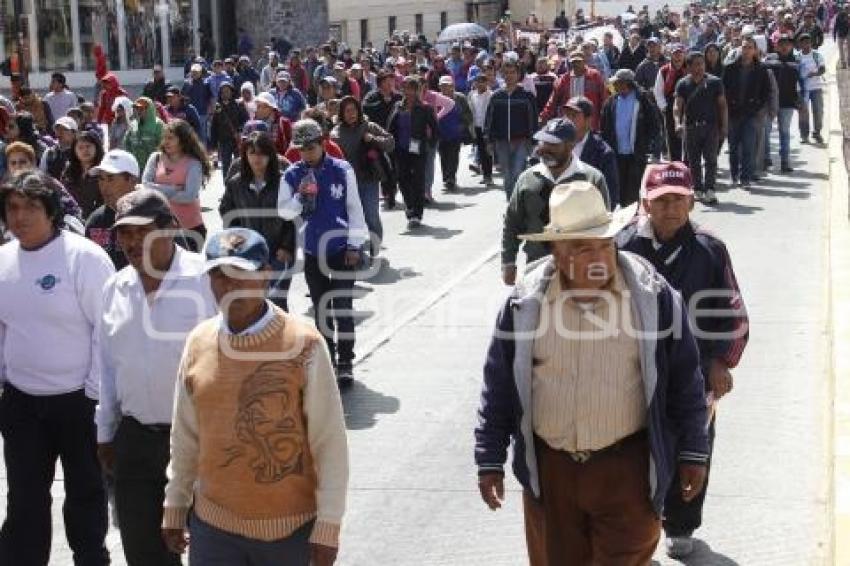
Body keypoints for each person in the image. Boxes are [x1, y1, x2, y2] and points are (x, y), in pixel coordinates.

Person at [476, 181, 709, 566]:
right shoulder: (524, 304)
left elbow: (686, 380)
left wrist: (693, 451)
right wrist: (489, 457)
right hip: (553, 477)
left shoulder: (654, 298)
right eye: (581, 248)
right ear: (556, 250)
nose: (597, 257)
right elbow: (498, 384)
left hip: (627, 473)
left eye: (604, 244)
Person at [161, 227, 349, 565]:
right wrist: (175, 505)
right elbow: (185, 436)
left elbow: (329, 442)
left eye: (240, 273)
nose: (229, 286)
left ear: (266, 274)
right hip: (213, 530)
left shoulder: (304, 343)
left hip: (289, 533)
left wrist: (328, 526)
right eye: (219, 275)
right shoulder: (198, 341)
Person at [617, 161, 749, 559]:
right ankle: (636, 526)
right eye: (661, 201)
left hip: (693, 374)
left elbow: (734, 313)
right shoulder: (622, 246)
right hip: (634, 372)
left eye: (678, 200)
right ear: (645, 203)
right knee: (632, 452)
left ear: (692, 202)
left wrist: (722, 362)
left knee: (693, 446)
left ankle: (681, 522)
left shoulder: (710, 249)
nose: (670, 208)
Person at [96, 188, 217, 566]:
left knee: (214, 550)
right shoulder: (116, 288)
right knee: (145, 554)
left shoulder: (206, 280)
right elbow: (108, 367)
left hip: (202, 440)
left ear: (169, 229)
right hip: (136, 443)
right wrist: (106, 434)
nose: (132, 242)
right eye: (125, 234)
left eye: (142, 231)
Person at [0, 170, 114, 566]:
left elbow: (106, 330)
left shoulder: (84, 257)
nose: (20, 217)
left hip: (78, 402)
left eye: (31, 207)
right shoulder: (3, 260)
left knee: (85, 495)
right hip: (21, 403)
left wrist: (96, 397)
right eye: (12, 208)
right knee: (24, 499)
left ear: (50, 211)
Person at [278, 119, 368, 385]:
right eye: (302, 149)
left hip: (341, 250)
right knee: (321, 310)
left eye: (311, 147)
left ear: (323, 142)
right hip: (312, 251)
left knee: (343, 308)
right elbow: (283, 211)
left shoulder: (342, 170)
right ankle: (327, 358)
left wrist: (355, 245)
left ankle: (346, 362)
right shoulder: (292, 174)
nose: (306, 153)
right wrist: (300, 196)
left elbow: (354, 208)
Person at [501, 117, 610, 285]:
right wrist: (508, 262)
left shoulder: (592, 179)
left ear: (571, 145)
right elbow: (512, 221)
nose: (544, 149)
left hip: (580, 269)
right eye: (543, 142)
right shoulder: (526, 179)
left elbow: (604, 230)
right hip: (535, 268)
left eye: (553, 144)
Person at [220, 131, 297, 311]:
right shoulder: (235, 184)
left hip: (279, 252)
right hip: (249, 252)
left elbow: (293, 217)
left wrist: (287, 246)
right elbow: (227, 212)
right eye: (252, 153)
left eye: (262, 153)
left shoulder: (284, 182)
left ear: (271, 156)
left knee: (277, 303)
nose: (257, 158)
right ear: (245, 155)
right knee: (253, 302)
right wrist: (238, 241)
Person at [332, 96, 394, 258]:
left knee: (371, 215)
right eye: (347, 111)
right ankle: (356, 250)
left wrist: (372, 139)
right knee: (351, 218)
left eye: (354, 110)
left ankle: (375, 243)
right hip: (346, 184)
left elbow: (390, 142)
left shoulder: (369, 126)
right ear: (341, 113)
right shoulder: (336, 133)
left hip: (368, 179)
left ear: (359, 111)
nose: (351, 114)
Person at [142, 119, 211, 251]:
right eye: (165, 138)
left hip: (190, 229)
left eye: (171, 138)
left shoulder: (193, 164)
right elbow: (145, 185)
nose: (166, 142)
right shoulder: (155, 158)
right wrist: (174, 188)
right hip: (159, 228)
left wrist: (156, 192)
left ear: (183, 140)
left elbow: (189, 196)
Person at [674, 50, 727, 204]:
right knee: (693, 160)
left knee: (711, 159)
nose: (700, 67)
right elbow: (677, 107)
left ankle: (710, 189)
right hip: (691, 128)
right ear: (689, 67)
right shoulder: (682, 84)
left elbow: (723, 106)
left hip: (711, 127)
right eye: (696, 65)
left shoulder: (715, 82)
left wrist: (724, 126)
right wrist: (677, 123)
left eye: (702, 64)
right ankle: (697, 188)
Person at [600, 69, 658, 207]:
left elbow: (654, 124)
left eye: (617, 83)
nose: (614, 86)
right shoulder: (611, 102)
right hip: (616, 153)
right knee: (618, 187)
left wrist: (647, 145)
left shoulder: (642, 99)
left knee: (633, 189)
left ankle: (632, 219)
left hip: (636, 154)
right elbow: (604, 126)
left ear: (626, 83)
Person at [387, 76, 438, 228]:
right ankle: (410, 206)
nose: (407, 92)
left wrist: (429, 145)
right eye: (405, 88)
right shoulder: (398, 106)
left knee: (418, 181)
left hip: (418, 149)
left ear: (417, 90)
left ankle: (417, 213)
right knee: (402, 179)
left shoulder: (425, 108)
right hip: (400, 149)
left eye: (411, 88)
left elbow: (435, 130)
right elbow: (390, 127)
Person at [485, 57, 538, 200]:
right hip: (501, 142)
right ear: (502, 74)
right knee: (507, 175)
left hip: (521, 141)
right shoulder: (496, 96)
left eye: (512, 72)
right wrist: (489, 141)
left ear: (518, 74)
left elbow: (533, 119)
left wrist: (534, 141)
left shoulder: (526, 97)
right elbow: (489, 119)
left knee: (517, 172)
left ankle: (518, 203)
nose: (509, 75)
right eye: (506, 72)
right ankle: (511, 204)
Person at [722, 37, 769, 188]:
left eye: (749, 47)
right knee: (733, 147)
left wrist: (757, 108)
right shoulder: (729, 68)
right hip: (733, 113)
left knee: (749, 146)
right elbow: (723, 90)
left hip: (751, 114)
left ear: (755, 50)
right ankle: (734, 174)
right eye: (744, 47)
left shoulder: (761, 69)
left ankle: (745, 178)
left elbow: (765, 92)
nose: (746, 50)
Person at [85, 149, 140, 269]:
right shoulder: (95, 221)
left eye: (111, 178)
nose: (104, 186)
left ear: (132, 180)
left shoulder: (154, 215)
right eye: (101, 179)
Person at [563, 96, 620, 207]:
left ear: (588, 121)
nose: (568, 120)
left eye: (574, 116)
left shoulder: (603, 153)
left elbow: (610, 196)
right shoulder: (557, 145)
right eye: (567, 115)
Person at [362, 71, 402, 208]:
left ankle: (392, 189)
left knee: (396, 166)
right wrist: (381, 103)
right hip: (377, 137)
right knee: (384, 166)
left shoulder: (398, 97)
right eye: (386, 81)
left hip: (395, 137)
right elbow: (365, 109)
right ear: (380, 83)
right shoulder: (372, 96)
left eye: (391, 80)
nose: (390, 84)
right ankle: (387, 193)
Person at [540, 51, 607, 131]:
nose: (575, 64)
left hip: (590, 121)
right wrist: (543, 117)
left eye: (578, 62)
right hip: (569, 121)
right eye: (573, 62)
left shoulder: (595, 76)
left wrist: (604, 119)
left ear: (584, 61)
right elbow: (552, 101)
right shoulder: (563, 80)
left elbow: (604, 98)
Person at [436, 75, 472, 192]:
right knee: (443, 156)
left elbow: (468, 114)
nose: (445, 88)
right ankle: (446, 177)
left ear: (453, 86)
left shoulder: (460, 98)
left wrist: (462, 126)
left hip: (456, 134)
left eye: (448, 86)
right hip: (441, 133)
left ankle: (451, 178)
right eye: (443, 86)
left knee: (453, 156)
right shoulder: (436, 98)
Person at [653, 43, 688, 162]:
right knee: (672, 138)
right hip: (670, 106)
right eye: (675, 54)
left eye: (680, 54)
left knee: (689, 138)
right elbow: (658, 91)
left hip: (688, 106)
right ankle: (676, 164)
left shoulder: (689, 68)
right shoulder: (664, 70)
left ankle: (688, 166)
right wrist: (664, 107)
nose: (678, 57)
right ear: (671, 55)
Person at [61, 129, 106, 219]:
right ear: (74, 150)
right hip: (73, 218)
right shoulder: (69, 170)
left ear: (96, 147)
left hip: (97, 219)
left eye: (88, 146)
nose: (85, 150)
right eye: (80, 147)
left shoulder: (104, 170)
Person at [210, 81, 249, 177]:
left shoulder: (239, 104)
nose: (225, 93)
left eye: (227, 91)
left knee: (239, 163)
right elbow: (214, 126)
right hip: (224, 140)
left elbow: (246, 121)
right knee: (226, 165)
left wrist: (240, 130)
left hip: (237, 140)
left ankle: (240, 184)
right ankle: (227, 186)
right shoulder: (218, 107)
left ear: (232, 92)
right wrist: (213, 144)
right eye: (222, 91)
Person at [797, 33, 826, 145]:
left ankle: (817, 133)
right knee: (803, 113)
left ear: (811, 43)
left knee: (818, 112)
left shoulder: (816, 55)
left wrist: (815, 72)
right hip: (802, 90)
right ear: (800, 44)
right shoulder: (797, 57)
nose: (806, 44)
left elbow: (823, 68)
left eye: (808, 42)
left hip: (816, 88)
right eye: (803, 42)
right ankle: (804, 135)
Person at [125, 97, 165, 173]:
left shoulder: (158, 125)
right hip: (135, 167)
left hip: (153, 168)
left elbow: (164, 145)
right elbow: (127, 143)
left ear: (148, 109)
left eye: (141, 109)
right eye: (137, 108)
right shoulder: (133, 124)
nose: (138, 111)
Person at [469, 73, 494, 186]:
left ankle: (488, 176)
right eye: (478, 81)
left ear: (486, 82)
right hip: (477, 127)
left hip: (487, 127)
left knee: (488, 152)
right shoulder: (472, 95)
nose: (480, 84)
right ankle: (485, 175)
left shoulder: (491, 95)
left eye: (482, 81)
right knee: (481, 152)